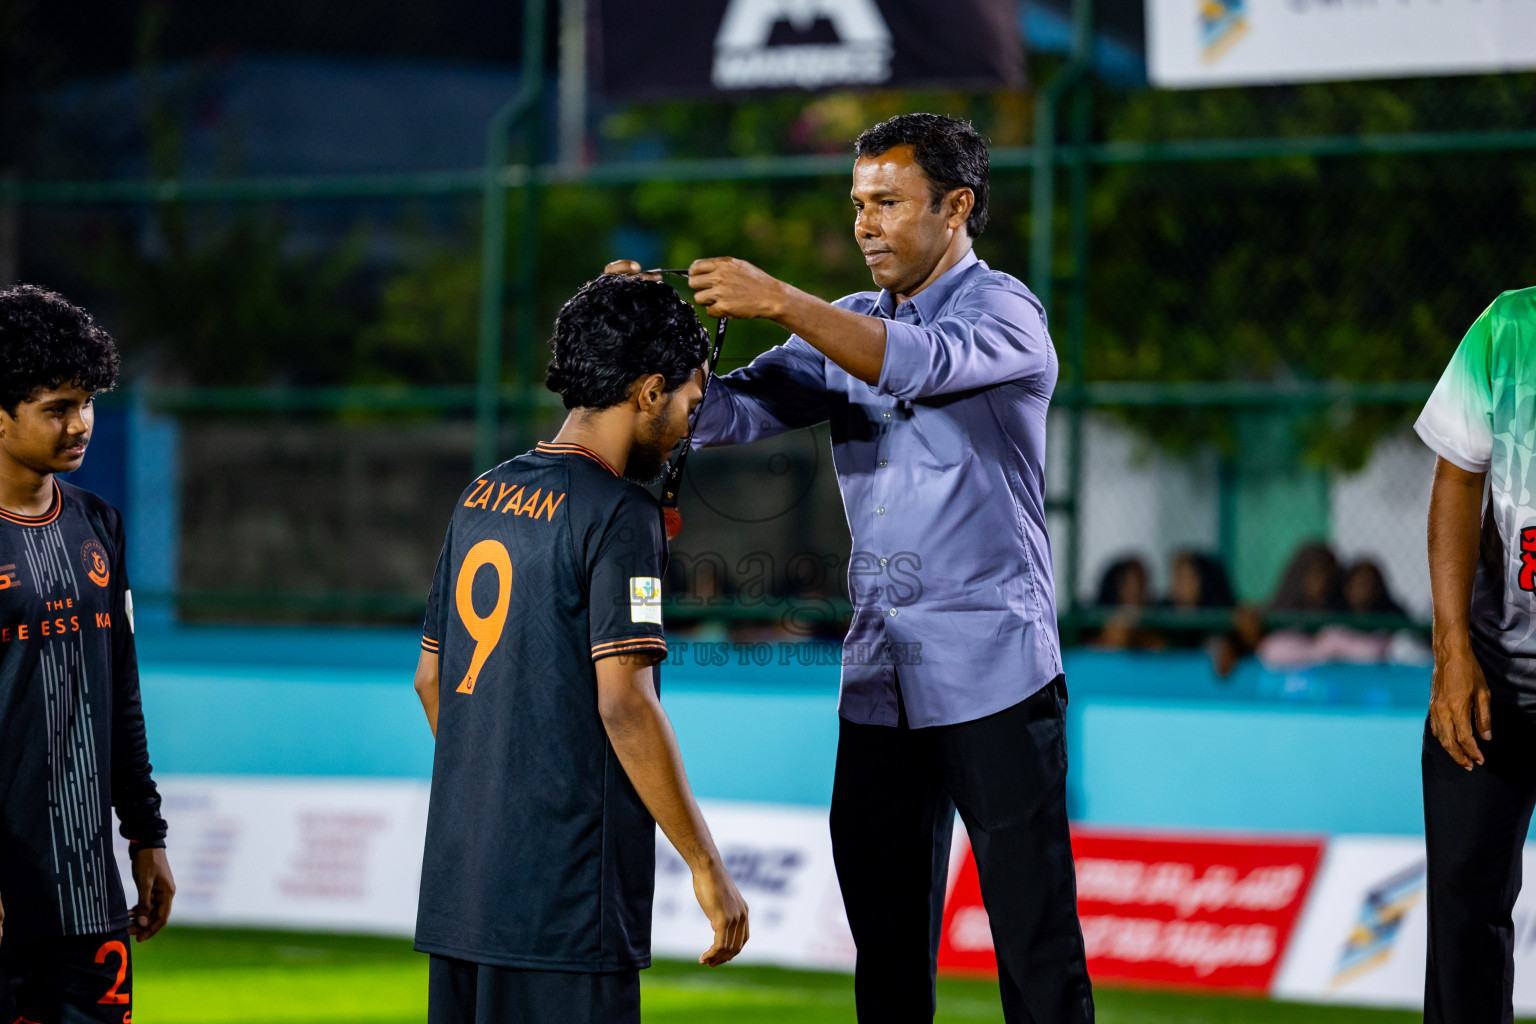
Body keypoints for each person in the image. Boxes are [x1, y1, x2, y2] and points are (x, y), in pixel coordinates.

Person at [608, 112, 1092, 1024]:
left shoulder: (1006, 312)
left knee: (1035, 943)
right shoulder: (851, 323)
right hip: (880, 679)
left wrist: (783, 300)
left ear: (958, 207)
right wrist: (647, 338)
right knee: (886, 945)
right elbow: (726, 414)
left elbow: (919, 366)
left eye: (889, 202)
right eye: (859, 203)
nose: (865, 223)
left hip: (996, 674)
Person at [411, 275, 749, 1024]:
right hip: (565, 902)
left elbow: (432, 680)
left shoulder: (480, 495)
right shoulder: (622, 516)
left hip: (462, 889)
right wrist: (705, 864)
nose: (690, 428)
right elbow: (626, 702)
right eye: (691, 405)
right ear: (650, 391)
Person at [0, 285, 174, 1023]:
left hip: (86, 895)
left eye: (88, 402)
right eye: (57, 408)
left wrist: (146, 834)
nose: (81, 425)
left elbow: (120, 693)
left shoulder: (98, 524)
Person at [1416, 288, 1536, 1024]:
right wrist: (1453, 651)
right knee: (1464, 924)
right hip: (1492, 680)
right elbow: (1458, 481)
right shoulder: (1509, 327)